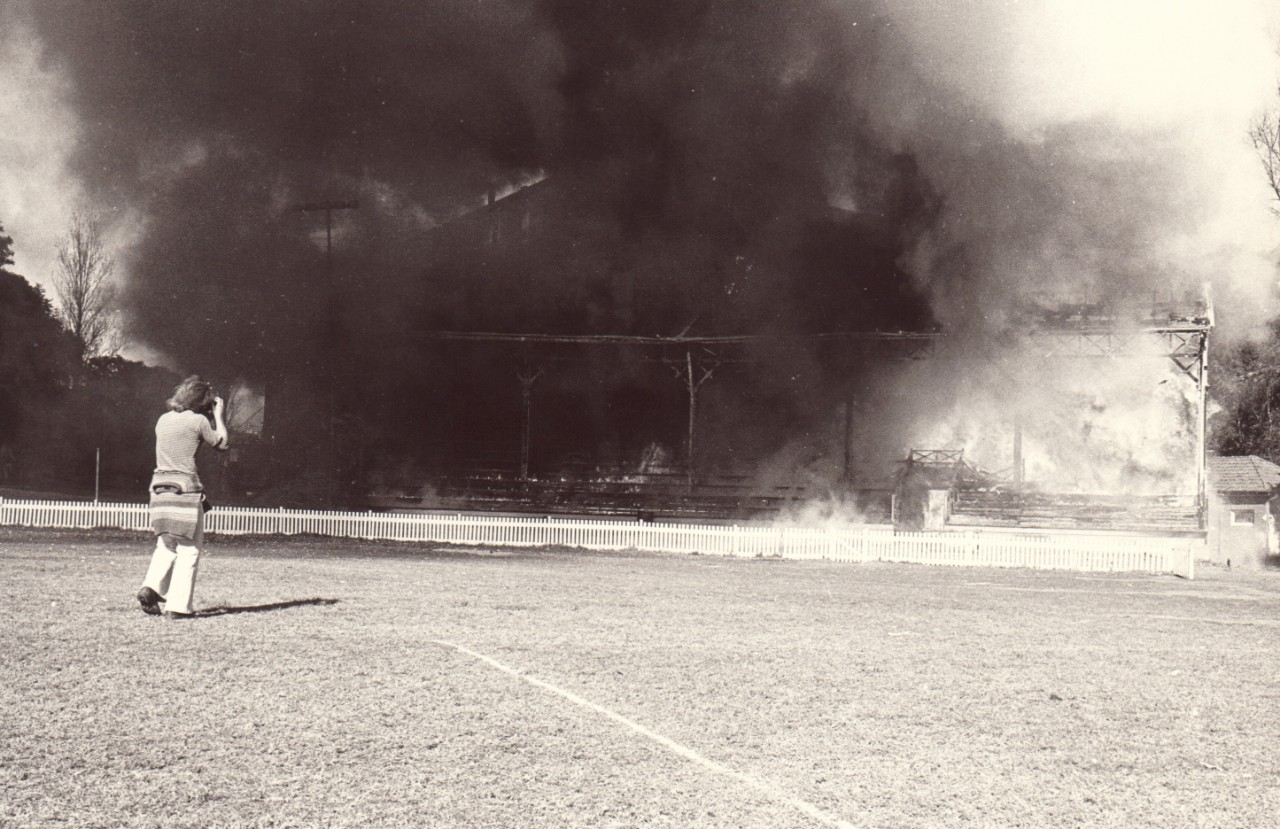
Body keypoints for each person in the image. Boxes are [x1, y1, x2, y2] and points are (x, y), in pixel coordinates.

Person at [136, 376, 229, 619]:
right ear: (204, 403)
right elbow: (222, 444)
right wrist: (218, 416)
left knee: (166, 545)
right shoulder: (198, 421)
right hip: (185, 490)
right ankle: (178, 608)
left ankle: (151, 587)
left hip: (159, 488)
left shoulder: (163, 419)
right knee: (189, 549)